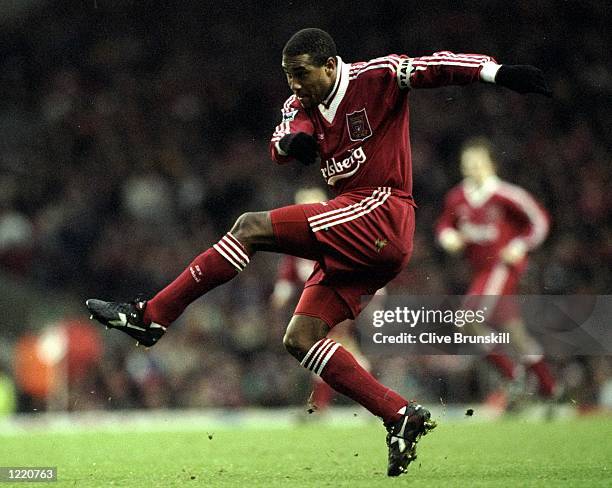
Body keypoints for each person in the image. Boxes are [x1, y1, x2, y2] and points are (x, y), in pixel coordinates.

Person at [86, 28, 551, 477]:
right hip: (355, 234)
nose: (294, 84)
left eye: (301, 73)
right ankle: (400, 415)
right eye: (288, 74)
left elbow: (436, 66)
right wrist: (292, 143)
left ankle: (152, 316)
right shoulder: (299, 102)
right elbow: (281, 141)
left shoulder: (378, 77)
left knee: (250, 227)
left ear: (330, 65)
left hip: (382, 211)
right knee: (300, 337)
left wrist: (497, 72)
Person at [435, 137, 557, 405]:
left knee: (466, 320)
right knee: (516, 335)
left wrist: (520, 244)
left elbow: (540, 219)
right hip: (479, 272)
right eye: (468, 163)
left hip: (500, 268)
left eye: (478, 163)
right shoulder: (457, 197)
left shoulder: (507, 195)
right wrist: (448, 238)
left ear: (491, 164)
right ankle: (550, 390)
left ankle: (514, 377)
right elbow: (444, 225)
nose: (473, 168)